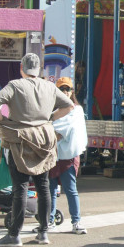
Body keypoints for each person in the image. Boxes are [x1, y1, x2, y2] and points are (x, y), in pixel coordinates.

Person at [0, 53, 74, 247]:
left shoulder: (15, 85)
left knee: (20, 187)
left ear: (22, 67)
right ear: (40, 69)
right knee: (43, 186)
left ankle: (14, 235)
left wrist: (2, 121)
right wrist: (50, 118)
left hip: (20, 139)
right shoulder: (49, 86)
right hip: (44, 139)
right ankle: (43, 233)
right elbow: (69, 106)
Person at [43, 78, 89, 234]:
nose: (65, 92)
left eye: (67, 89)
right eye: (61, 89)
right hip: (51, 156)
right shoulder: (50, 110)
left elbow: (61, 131)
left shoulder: (76, 110)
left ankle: (76, 221)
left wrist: (49, 134)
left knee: (70, 189)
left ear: (72, 91)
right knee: (50, 190)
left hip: (67, 156)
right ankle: (49, 221)